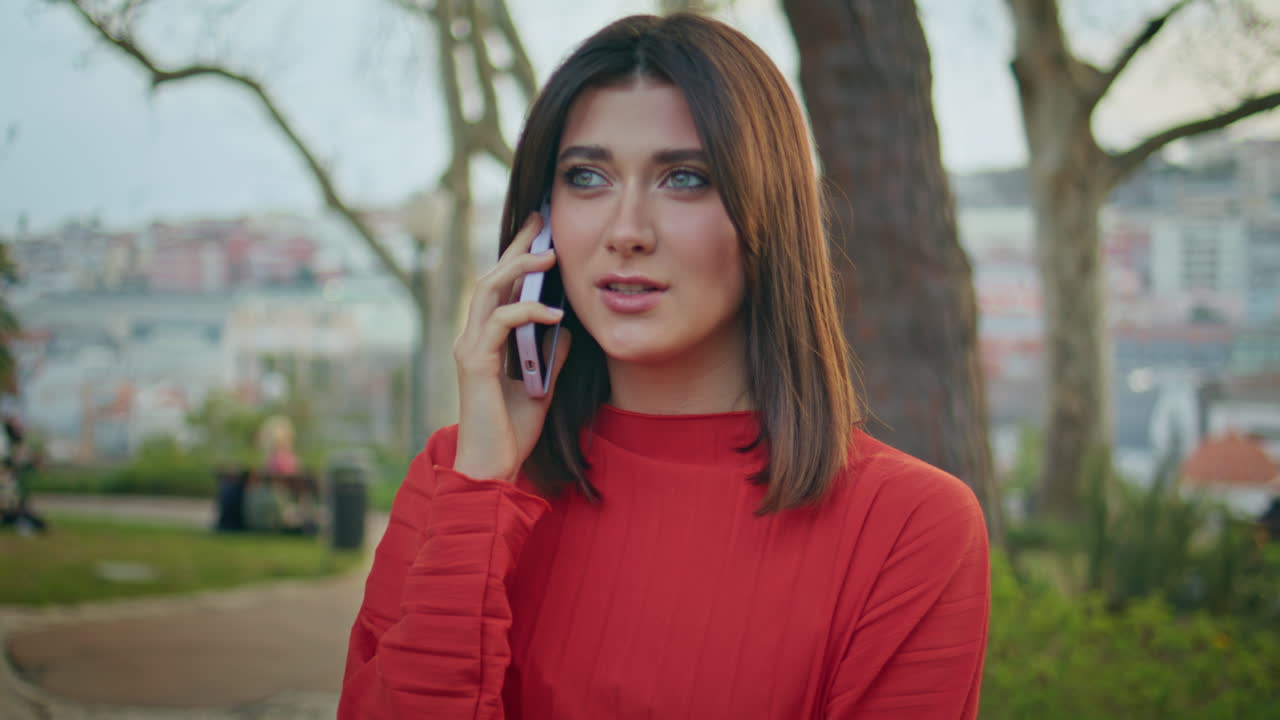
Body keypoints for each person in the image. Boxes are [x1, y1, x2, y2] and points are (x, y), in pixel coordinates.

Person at [340, 13, 989, 719]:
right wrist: (481, 495)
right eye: (586, 177)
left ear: (768, 214)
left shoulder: (910, 527)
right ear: (542, 222)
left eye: (684, 178)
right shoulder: (457, 476)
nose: (626, 232)